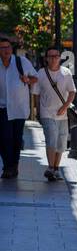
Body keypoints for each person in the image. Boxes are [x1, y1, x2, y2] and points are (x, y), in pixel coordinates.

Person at [33, 47, 75, 181]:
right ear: (46, 58)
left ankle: (56, 169)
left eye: (56, 56)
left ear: (59, 58)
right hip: (47, 112)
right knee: (51, 139)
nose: (53, 58)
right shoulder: (41, 73)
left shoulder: (66, 73)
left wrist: (65, 106)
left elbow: (72, 92)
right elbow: (36, 94)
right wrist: (38, 111)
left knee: (61, 143)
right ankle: (50, 167)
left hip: (63, 114)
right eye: (50, 56)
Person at [0, 34, 38, 180]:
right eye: (2, 48)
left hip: (19, 108)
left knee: (16, 138)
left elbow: (35, 78)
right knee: (3, 138)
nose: (6, 50)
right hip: (2, 108)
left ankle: (13, 165)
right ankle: (7, 165)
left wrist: (27, 80)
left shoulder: (21, 62)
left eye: (8, 47)